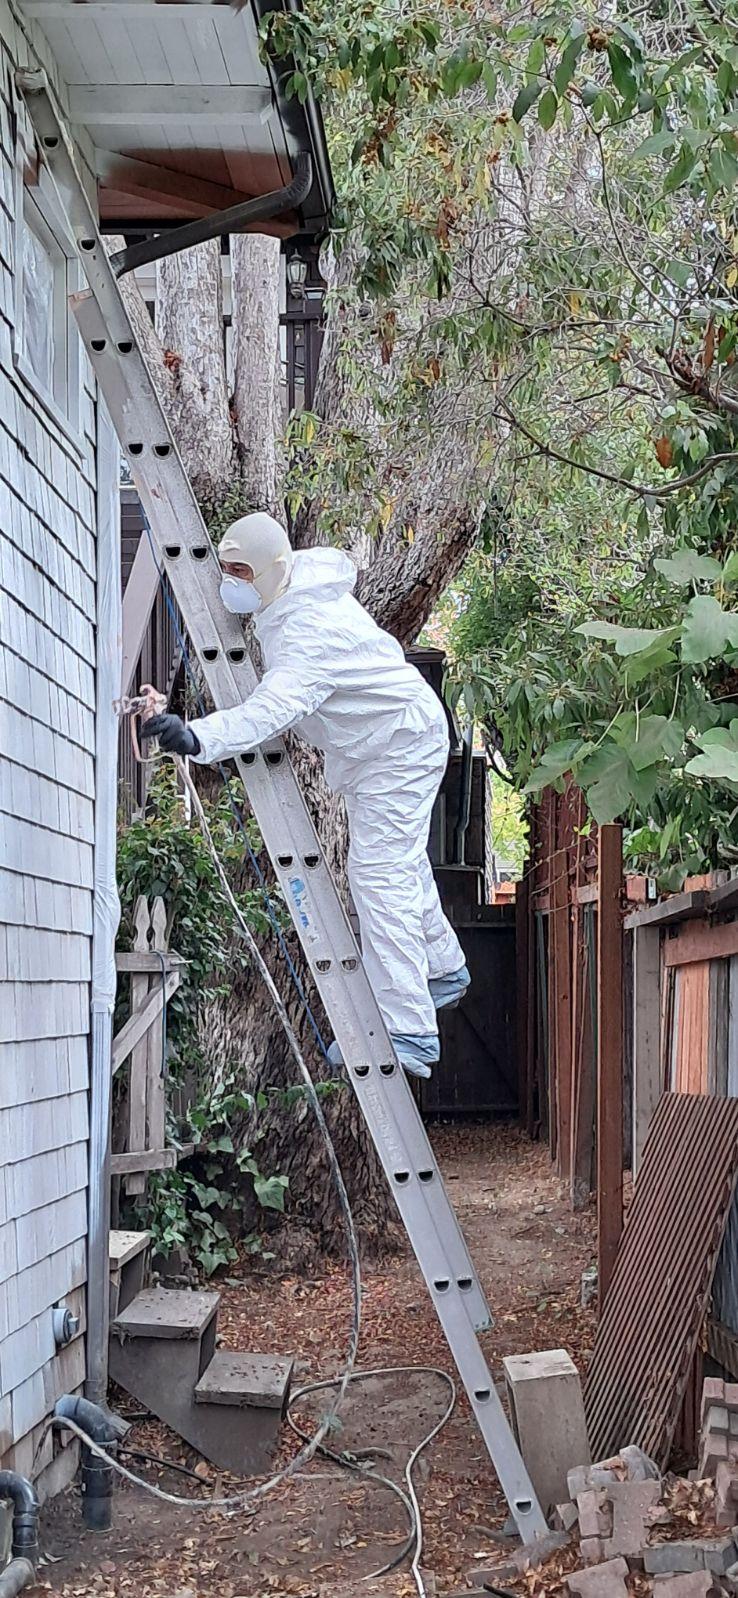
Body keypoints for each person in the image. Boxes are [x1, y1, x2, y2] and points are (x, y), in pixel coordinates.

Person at [142, 512, 470, 1079]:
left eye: (240, 571)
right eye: (226, 570)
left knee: (378, 872)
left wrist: (198, 736)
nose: (230, 582)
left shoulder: (307, 632)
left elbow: (274, 709)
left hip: (396, 745)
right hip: (384, 744)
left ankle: (406, 1030)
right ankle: (440, 969)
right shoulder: (294, 597)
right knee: (400, 863)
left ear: (271, 570)